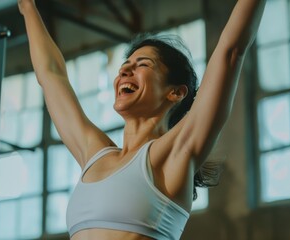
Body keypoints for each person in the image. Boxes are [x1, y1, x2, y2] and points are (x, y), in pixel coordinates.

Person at [17, 0, 265, 239]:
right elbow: (51, 75)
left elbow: (231, 51)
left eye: (142, 64)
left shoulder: (175, 152)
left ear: (175, 92)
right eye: (125, 66)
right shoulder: (94, 154)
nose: (125, 70)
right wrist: (28, 7)